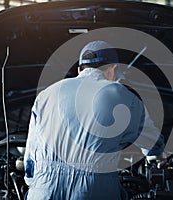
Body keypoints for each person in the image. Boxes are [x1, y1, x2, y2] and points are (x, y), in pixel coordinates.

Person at [23, 40, 164, 200]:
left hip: (43, 189)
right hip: (92, 190)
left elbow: (30, 157)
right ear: (114, 69)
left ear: (79, 70)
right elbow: (153, 145)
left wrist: (38, 185)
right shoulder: (123, 96)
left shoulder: (46, 95)